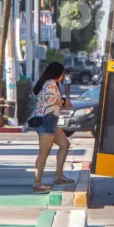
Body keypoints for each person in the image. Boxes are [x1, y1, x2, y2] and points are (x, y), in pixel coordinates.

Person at [31, 62, 75, 194]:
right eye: (62, 74)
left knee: (65, 144)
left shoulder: (51, 83)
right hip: (46, 121)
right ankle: (37, 184)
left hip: (51, 120)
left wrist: (63, 102)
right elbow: (52, 100)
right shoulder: (50, 83)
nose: (63, 77)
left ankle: (59, 176)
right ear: (58, 73)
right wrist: (64, 101)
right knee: (44, 153)